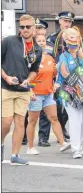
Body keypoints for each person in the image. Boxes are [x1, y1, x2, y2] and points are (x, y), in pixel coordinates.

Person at [1, 14, 42, 165]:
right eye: (22, 27)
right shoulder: (9, 41)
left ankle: (15, 155)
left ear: (34, 28)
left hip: (24, 91)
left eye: (28, 27)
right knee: (6, 122)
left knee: (20, 123)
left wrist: (28, 80)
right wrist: (6, 78)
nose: (24, 29)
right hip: (6, 88)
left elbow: (35, 70)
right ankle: (1, 143)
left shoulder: (37, 49)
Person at [26, 34, 71, 155]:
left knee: (54, 118)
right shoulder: (31, 57)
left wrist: (55, 81)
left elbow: (53, 75)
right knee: (33, 121)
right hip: (36, 94)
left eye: (43, 40)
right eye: (39, 40)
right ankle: (30, 147)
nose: (41, 42)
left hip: (48, 93)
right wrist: (29, 91)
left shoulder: (50, 58)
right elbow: (26, 77)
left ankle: (62, 143)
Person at [56, 27, 83, 159]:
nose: (73, 38)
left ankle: (79, 145)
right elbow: (63, 74)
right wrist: (70, 77)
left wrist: (82, 56)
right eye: (70, 36)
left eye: (75, 35)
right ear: (66, 40)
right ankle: (75, 149)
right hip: (71, 93)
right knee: (75, 120)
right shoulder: (64, 55)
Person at [38, 11, 75, 147]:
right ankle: (43, 136)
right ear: (59, 21)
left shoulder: (74, 37)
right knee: (48, 107)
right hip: (55, 77)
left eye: (69, 21)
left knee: (65, 106)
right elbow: (48, 56)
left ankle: (62, 127)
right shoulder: (53, 39)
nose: (67, 23)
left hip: (71, 77)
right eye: (64, 21)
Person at [22, 18, 49, 146]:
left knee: (45, 113)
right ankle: (24, 136)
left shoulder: (49, 50)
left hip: (45, 87)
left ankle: (43, 137)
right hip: (30, 85)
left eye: (40, 28)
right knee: (28, 113)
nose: (38, 30)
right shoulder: (26, 47)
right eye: (36, 28)